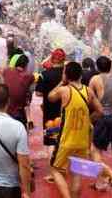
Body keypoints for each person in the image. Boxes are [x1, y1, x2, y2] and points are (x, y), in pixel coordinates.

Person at [48, 61, 103, 198]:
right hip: (83, 141)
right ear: (81, 75)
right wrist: (89, 120)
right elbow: (100, 111)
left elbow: (50, 97)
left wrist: (62, 81)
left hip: (66, 140)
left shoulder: (64, 90)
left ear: (66, 75)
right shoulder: (88, 91)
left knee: (55, 170)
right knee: (76, 174)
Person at [89, 56, 112, 191]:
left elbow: (89, 98)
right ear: (110, 65)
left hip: (104, 117)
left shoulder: (95, 79)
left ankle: (100, 182)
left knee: (96, 149)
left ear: (97, 68)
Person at [35, 48, 66, 184]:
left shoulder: (45, 74)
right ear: (64, 59)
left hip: (49, 112)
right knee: (64, 140)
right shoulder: (68, 75)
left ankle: (54, 173)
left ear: (52, 59)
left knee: (51, 141)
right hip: (65, 110)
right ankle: (63, 169)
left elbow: (38, 94)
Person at [3, 54, 35, 128]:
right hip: (18, 113)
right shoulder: (29, 76)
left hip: (5, 109)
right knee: (28, 95)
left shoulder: (6, 71)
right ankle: (28, 119)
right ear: (26, 65)